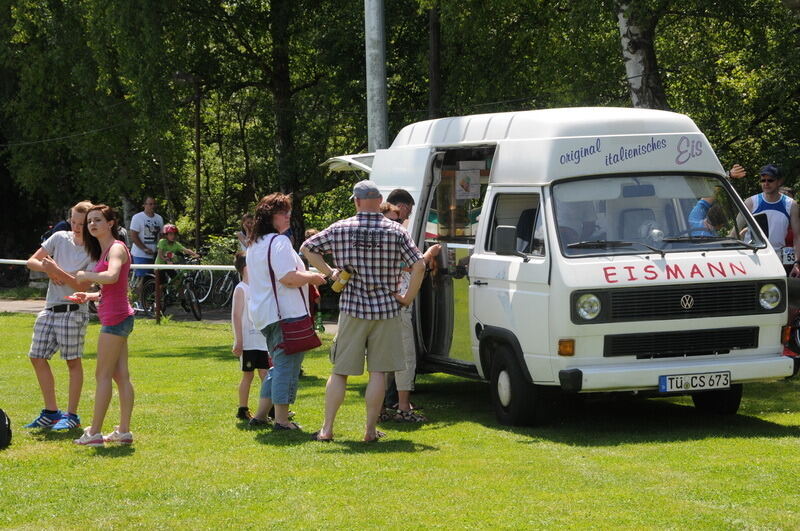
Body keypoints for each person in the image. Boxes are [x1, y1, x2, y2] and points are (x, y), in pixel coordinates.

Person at [301, 180, 425, 442]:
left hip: (352, 308)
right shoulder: (396, 230)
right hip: (386, 309)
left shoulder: (342, 227)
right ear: (379, 201)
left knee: (340, 372)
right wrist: (407, 297)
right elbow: (420, 265)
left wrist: (330, 272)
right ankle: (369, 431)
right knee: (378, 372)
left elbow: (307, 248)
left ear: (357, 201)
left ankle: (327, 429)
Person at [246, 193, 326, 430]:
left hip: (265, 313)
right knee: (286, 367)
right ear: (272, 216)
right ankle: (281, 420)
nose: (288, 216)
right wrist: (313, 277)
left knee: (277, 365)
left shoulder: (254, 244)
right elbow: (288, 278)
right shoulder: (278, 242)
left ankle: (260, 416)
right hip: (284, 314)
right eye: (284, 212)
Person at [23, 201, 95, 432]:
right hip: (50, 307)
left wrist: (56, 270)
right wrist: (47, 269)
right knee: (36, 356)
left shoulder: (95, 250)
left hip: (73, 311)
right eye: (73, 221)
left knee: (72, 362)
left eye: (81, 223)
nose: (76, 227)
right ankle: (51, 412)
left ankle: (71, 415)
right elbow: (32, 261)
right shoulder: (59, 237)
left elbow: (80, 284)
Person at [71, 205, 136, 447]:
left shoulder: (116, 248)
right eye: (89, 221)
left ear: (110, 223)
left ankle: (95, 433)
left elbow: (112, 277)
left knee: (103, 375)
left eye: (98, 220)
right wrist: (90, 297)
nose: (92, 225)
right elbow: (112, 290)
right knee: (121, 376)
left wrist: (87, 275)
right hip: (119, 316)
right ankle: (124, 432)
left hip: (115, 320)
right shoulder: (106, 249)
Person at [382, 193, 441, 423]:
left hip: (380, 305)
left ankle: (381, 409)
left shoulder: (374, 238)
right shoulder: (394, 238)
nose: (400, 224)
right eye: (395, 220)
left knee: (382, 359)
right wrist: (429, 254)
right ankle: (403, 408)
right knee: (405, 356)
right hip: (397, 304)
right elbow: (411, 265)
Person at [230, 252, 270, 420]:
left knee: (266, 373)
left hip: (262, 341)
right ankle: (243, 408)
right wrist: (239, 341)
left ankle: (271, 408)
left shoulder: (258, 288)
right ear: (246, 268)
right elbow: (237, 316)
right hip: (248, 342)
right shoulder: (241, 289)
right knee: (248, 374)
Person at [741, 164, 800, 277]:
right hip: (752, 258)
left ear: (779, 181)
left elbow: (797, 237)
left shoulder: (791, 205)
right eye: (763, 180)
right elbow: (734, 232)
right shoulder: (750, 202)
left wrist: (797, 264)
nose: (766, 183)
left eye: (770, 180)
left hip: (776, 260)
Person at [129, 196, 163, 304]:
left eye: (154, 204)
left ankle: (150, 301)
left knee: (154, 278)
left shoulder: (159, 218)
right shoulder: (137, 217)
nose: (152, 206)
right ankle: (139, 302)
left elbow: (161, 236)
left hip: (154, 254)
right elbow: (133, 236)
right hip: (140, 254)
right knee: (142, 278)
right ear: (144, 205)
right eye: (150, 204)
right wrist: (144, 248)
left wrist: (160, 248)